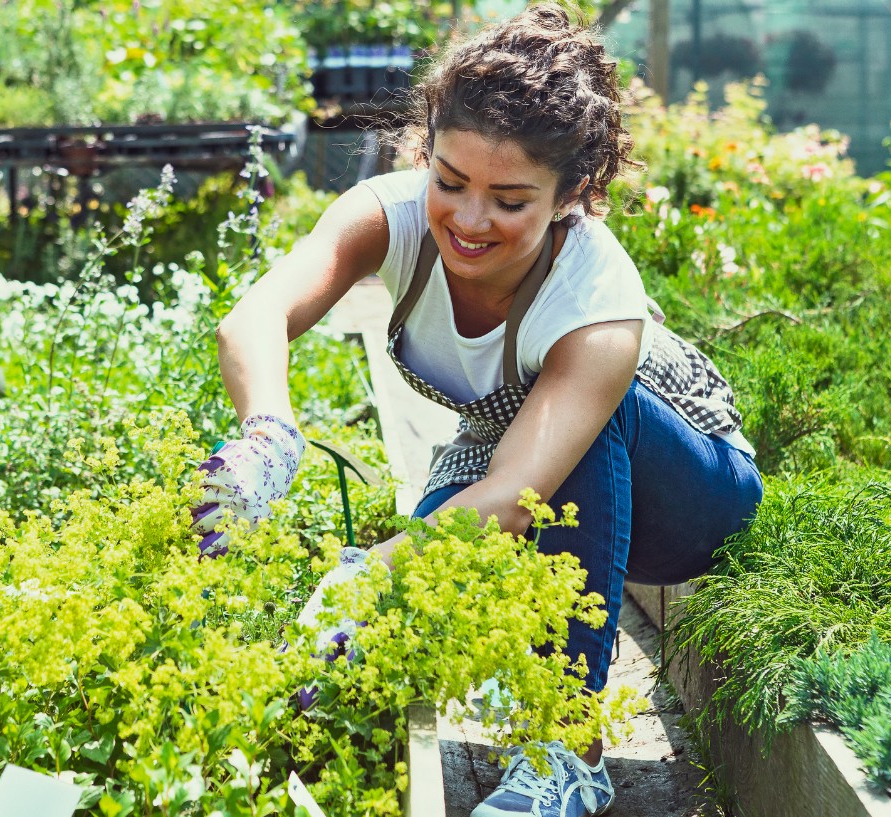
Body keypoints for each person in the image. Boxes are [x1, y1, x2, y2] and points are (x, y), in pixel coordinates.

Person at [192, 5, 763, 815]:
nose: (468, 218)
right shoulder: (386, 217)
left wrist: (370, 570)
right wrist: (269, 434)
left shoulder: (596, 296)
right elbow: (253, 317)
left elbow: (515, 492)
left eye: (509, 200)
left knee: (456, 529)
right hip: (514, 455)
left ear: (574, 195)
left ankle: (568, 748)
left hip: (693, 494)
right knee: (402, 605)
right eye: (450, 182)